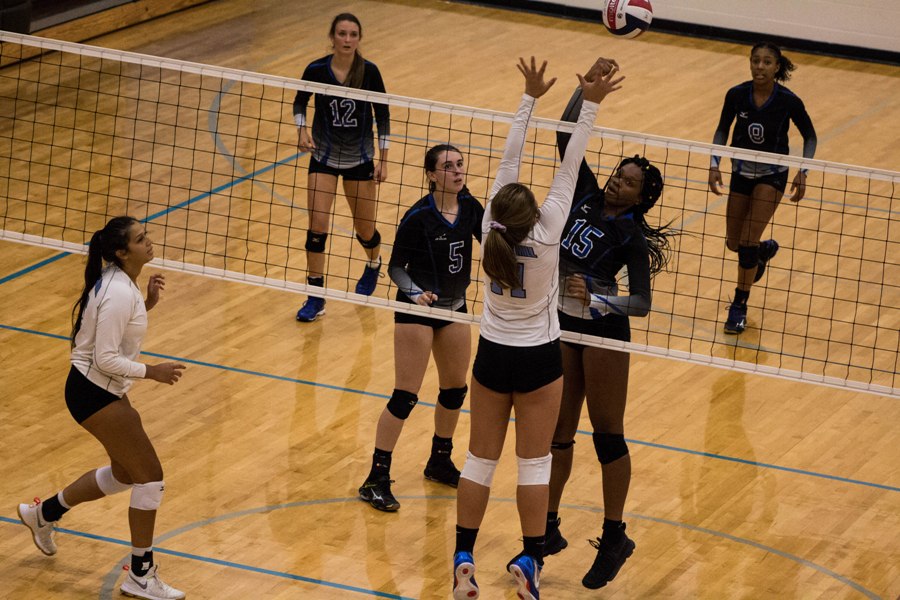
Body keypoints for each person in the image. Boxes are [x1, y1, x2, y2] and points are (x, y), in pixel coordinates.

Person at [452, 57, 624, 600]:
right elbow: (570, 166)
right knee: (535, 463)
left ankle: (463, 556)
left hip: (493, 354)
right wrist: (591, 102)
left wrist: (529, 97)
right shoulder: (548, 234)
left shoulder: (487, 227)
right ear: (534, 215)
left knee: (480, 459)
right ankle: (529, 558)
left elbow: (509, 158)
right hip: (539, 358)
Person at [540, 57, 678, 591]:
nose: (617, 183)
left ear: (643, 197)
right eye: (618, 174)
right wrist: (587, 93)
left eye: (628, 182)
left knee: (607, 437)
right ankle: (547, 527)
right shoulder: (586, 195)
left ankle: (615, 535)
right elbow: (564, 134)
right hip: (560, 324)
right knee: (557, 433)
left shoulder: (632, 240)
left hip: (602, 332)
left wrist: (602, 295)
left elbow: (640, 303)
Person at [16, 216, 187, 600]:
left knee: (128, 474)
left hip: (97, 389)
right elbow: (106, 357)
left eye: (147, 235)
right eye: (141, 239)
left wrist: (148, 304)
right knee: (150, 477)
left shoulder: (122, 286)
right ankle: (141, 575)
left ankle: (43, 514)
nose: (149, 242)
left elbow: (112, 333)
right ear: (121, 252)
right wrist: (152, 372)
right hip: (93, 391)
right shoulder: (116, 293)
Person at [358, 144, 484, 511]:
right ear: (431, 174)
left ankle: (439, 460)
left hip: (455, 307)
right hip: (417, 311)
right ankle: (376, 478)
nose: (458, 171)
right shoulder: (418, 217)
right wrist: (414, 294)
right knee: (406, 396)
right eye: (448, 166)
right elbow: (397, 267)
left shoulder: (471, 208)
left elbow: (492, 241)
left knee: (455, 391)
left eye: (461, 164)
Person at [708, 41, 817, 334]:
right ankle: (762, 252)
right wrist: (714, 164)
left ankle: (739, 306)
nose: (760, 67)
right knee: (734, 243)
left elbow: (810, 137)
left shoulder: (789, 101)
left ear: (777, 67)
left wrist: (803, 172)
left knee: (745, 242)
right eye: (756, 61)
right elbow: (721, 130)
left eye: (767, 62)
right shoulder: (736, 94)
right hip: (741, 172)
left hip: (773, 175)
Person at [293, 12, 391, 322]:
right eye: (342, 34)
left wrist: (384, 160)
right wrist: (301, 129)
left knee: (364, 230)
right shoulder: (317, 69)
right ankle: (315, 296)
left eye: (352, 35)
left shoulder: (370, 72)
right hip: (322, 158)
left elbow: (383, 115)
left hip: (359, 161)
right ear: (332, 37)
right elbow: (299, 101)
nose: (347, 40)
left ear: (359, 39)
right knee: (316, 229)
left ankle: (374, 263)